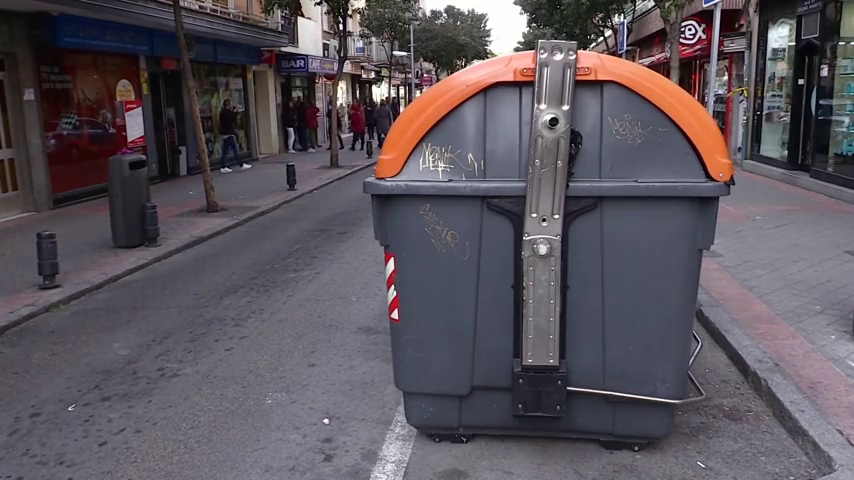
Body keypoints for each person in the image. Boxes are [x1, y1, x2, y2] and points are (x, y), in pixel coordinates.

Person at [219, 99, 251, 173]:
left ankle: (223, 166)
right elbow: (232, 118)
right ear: (228, 105)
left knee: (225, 151)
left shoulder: (222, 112)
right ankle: (241, 164)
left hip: (225, 134)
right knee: (235, 150)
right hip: (229, 134)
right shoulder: (227, 113)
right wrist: (236, 112)